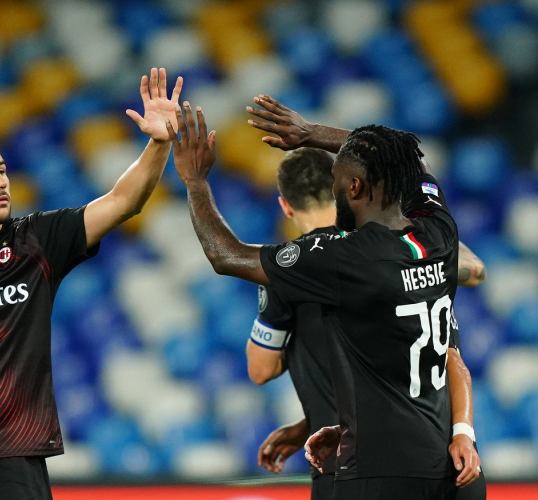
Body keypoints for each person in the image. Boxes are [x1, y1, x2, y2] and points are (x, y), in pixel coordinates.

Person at [165, 103, 478, 499]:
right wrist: (311, 133)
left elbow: (225, 256)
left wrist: (195, 182)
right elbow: (413, 161)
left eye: (338, 180)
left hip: (381, 472)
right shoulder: (439, 230)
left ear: (355, 188)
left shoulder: (343, 258)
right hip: (454, 469)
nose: (334, 190)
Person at [0, 67, 182, 500]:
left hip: (13, 458)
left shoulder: (37, 239)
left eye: (1, 170)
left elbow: (123, 201)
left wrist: (159, 143)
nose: (0, 182)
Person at [247, 145, 487, 500]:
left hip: (351, 464)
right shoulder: (396, 248)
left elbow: (260, 369)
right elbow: (475, 269)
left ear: (285, 206)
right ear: (345, 189)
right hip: (435, 449)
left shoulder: (295, 269)